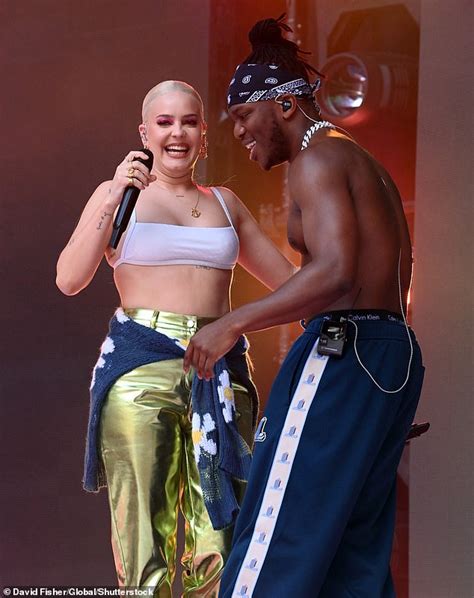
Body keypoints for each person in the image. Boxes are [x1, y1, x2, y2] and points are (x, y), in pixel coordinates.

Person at [183, 17, 425, 598]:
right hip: (388, 356)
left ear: (286, 105)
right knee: (352, 561)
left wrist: (231, 323)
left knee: (277, 533)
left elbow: (336, 273)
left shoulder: (316, 159)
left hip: (345, 351)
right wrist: (368, 399)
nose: (239, 130)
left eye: (245, 116)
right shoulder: (358, 159)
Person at [56, 80, 295, 596]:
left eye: (188, 122)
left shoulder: (225, 204)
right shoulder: (119, 196)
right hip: (141, 369)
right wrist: (118, 190)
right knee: (144, 543)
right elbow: (69, 278)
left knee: (223, 538)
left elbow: (295, 290)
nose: (177, 133)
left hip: (221, 373)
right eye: (164, 123)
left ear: (204, 136)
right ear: (145, 133)